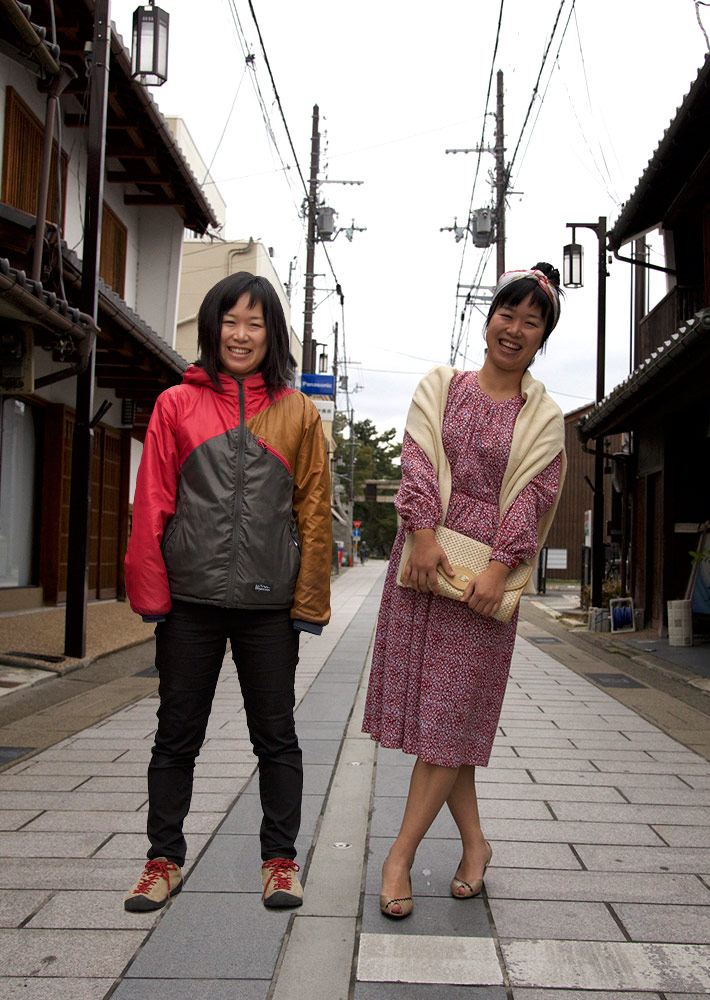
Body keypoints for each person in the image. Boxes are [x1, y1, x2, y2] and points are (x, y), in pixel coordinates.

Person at [362, 263, 567, 918]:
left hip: (482, 584)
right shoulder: (440, 386)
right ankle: (475, 845)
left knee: (447, 723)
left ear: (541, 339)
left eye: (531, 322)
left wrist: (499, 567)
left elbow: (534, 498)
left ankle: (398, 857)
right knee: (441, 726)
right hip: (425, 566)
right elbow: (417, 457)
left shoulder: (546, 419)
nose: (515, 329)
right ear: (489, 320)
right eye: (508, 314)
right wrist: (422, 534)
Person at [123, 272, 332, 913]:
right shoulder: (175, 406)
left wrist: (309, 604)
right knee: (176, 734)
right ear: (211, 328)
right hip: (190, 604)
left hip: (269, 608)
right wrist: (153, 598)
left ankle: (279, 862)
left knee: (276, 736)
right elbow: (153, 503)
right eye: (230, 321)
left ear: (273, 336)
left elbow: (314, 512)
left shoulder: (298, 412)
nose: (241, 335)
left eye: (255, 323)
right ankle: (162, 861)